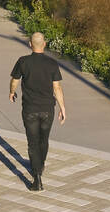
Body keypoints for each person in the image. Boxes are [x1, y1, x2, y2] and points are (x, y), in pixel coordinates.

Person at [7, 32, 66, 190]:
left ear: (30, 44)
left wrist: (12, 92)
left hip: (30, 110)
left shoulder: (23, 61)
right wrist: (63, 108)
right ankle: (40, 166)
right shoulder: (52, 64)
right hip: (48, 110)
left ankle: (37, 177)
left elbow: (15, 80)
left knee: (32, 143)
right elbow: (57, 87)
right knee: (43, 140)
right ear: (44, 44)